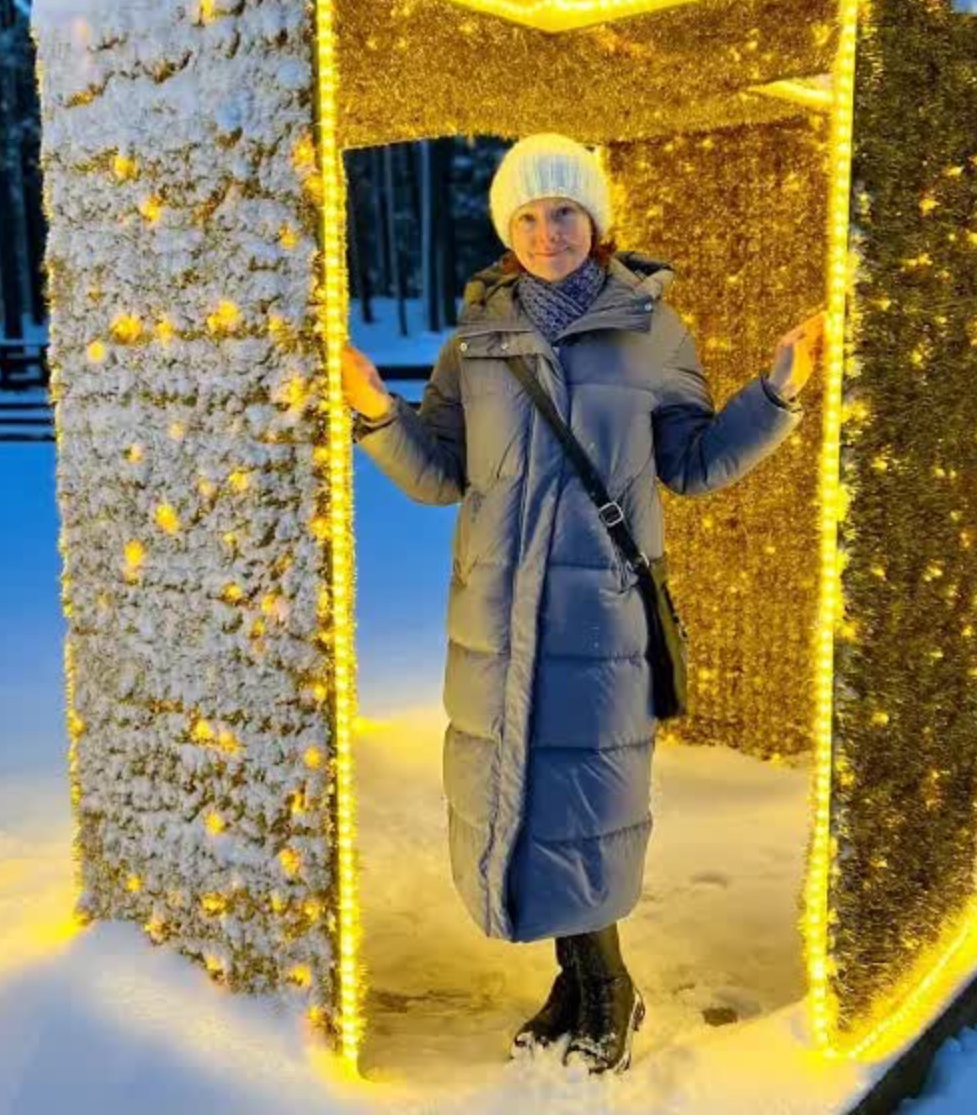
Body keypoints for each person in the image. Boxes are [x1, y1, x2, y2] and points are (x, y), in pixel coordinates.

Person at [339, 131, 823, 1073]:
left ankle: (609, 988)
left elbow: (694, 464)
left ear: (595, 221)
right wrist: (376, 413)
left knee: (587, 800)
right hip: (496, 615)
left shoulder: (652, 331)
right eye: (526, 215)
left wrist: (776, 395)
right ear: (505, 228)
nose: (545, 232)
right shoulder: (475, 343)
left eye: (563, 211)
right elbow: (439, 475)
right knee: (520, 800)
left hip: (598, 614)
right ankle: (576, 982)